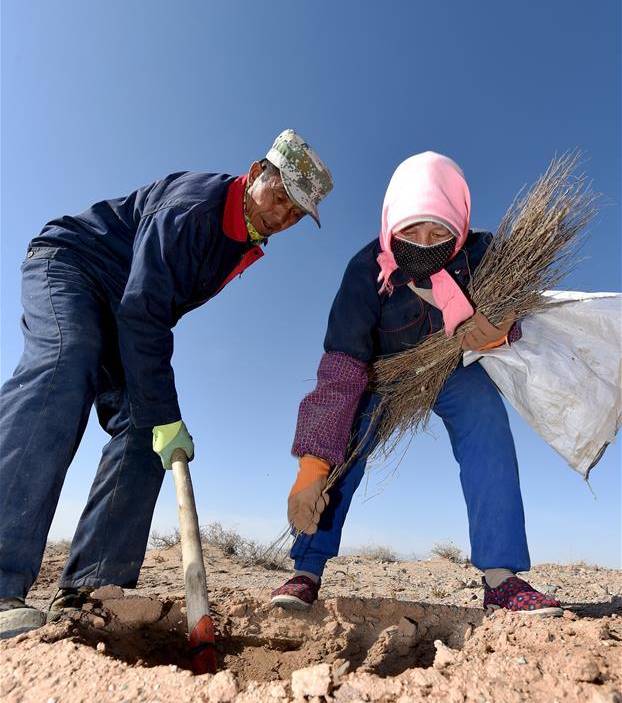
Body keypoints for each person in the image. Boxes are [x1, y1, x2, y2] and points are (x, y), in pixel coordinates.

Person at [0, 129, 333, 639]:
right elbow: (143, 313)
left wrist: (160, 417)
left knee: (143, 429)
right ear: (256, 172)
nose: (283, 214)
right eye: (281, 195)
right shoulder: (195, 211)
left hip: (122, 309)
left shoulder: (243, 237)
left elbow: (143, 318)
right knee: (68, 362)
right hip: (71, 267)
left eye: (296, 212)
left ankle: (93, 589)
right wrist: (168, 412)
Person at [271, 151, 562, 617]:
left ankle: (502, 579)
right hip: (382, 376)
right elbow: (342, 370)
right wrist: (312, 468)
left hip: (451, 370)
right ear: (391, 223)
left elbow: (520, 313)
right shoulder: (364, 271)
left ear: (459, 227)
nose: (423, 244)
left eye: (439, 233)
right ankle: (306, 569)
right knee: (346, 439)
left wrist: (504, 330)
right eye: (410, 232)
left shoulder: (485, 256)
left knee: (485, 412)